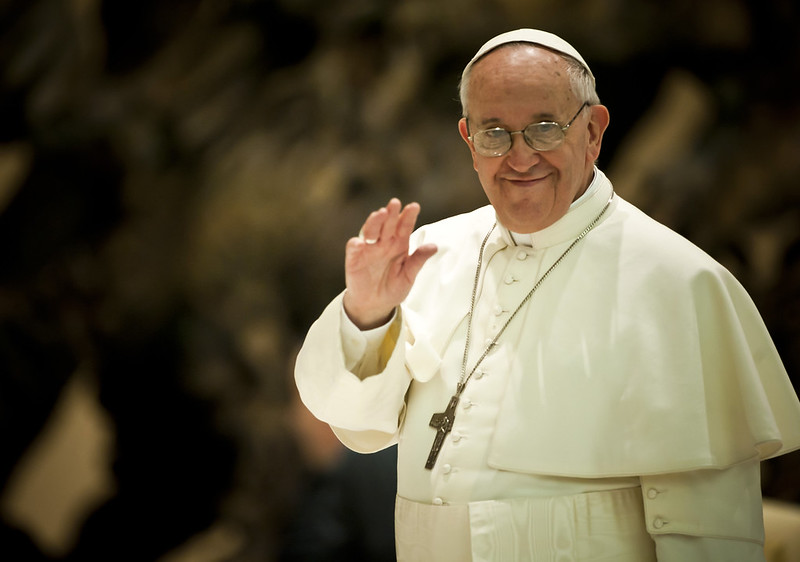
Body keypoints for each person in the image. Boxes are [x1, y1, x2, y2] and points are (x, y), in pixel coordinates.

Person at [294, 28, 800, 561]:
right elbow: (355, 423)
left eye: (543, 129)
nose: (519, 158)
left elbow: (710, 537)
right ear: (468, 140)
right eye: (494, 133)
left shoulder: (677, 281)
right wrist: (368, 313)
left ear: (593, 131)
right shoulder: (428, 254)